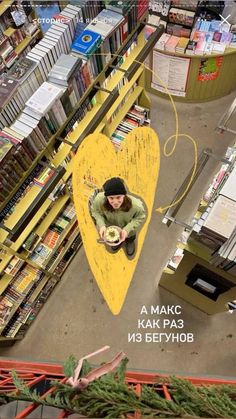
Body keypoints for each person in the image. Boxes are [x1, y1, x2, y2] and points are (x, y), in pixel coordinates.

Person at [90, 177, 146, 256]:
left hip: (129, 230)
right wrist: (101, 225)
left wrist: (127, 230)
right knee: (115, 239)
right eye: (111, 198)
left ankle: (129, 241)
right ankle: (117, 241)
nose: (115, 202)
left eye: (118, 197)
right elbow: (95, 211)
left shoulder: (137, 206)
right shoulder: (99, 200)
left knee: (130, 237)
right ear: (106, 197)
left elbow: (139, 217)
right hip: (111, 227)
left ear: (124, 195)